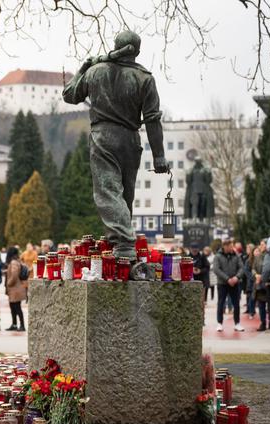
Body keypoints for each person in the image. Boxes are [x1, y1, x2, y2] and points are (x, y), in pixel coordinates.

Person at [63, 30, 168, 258]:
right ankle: (119, 243)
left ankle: (124, 244)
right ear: (137, 51)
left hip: (103, 137)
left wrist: (83, 68)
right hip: (131, 139)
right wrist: (158, 155)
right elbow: (152, 120)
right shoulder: (145, 78)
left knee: (109, 191)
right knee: (123, 195)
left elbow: (69, 94)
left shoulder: (96, 71)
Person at [213, 238, 245, 332]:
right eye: (230, 246)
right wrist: (227, 279)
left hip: (235, 283)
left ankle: (237, 323)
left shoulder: (236, 255)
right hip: (222, 283)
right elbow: (216, 269)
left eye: (232, 246)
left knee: (236, 304)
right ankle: (219, 323)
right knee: (221, 303)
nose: (232, 248)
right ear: (225, 246)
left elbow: (242, 268)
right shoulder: (218, 256)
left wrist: (236, 277)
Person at [4, 246, 26, 332]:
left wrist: (9, 283)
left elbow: (14, 274)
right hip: (15, 289)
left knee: (17, 307)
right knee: (13, 307)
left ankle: (22, 325)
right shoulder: (16, 261)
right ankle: (14, 324)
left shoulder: (13, 262)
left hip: (15, 289)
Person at [251, 242, 269, 331]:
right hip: (259, 285)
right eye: (260, 245)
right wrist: (256, 275)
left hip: (269, 284)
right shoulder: (257, 257)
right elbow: (253, 268)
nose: (261, 246)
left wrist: (263, 276)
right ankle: (263, 322)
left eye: (263, 244)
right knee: (261, 305)